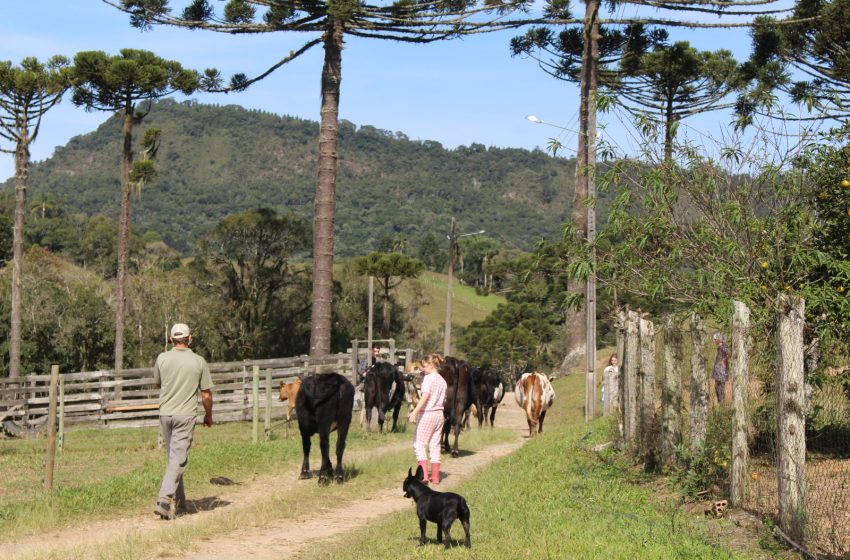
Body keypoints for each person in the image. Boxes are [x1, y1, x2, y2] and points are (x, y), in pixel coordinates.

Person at [153, 323, 214, 520]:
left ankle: (180, 503)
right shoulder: (199, 361)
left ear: (171, 339)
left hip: (165, 414)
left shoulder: (162, 358)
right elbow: (206, 395)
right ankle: (164, 500)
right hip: (185, 414)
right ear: (190, 339)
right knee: (178, 459)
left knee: (173, 459)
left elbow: (159, 382)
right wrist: (208, 414)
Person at [407, 353, 447, 485]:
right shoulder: (442, 380)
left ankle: (423, 475)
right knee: (435, 445)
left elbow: (425, 396)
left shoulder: (428, 379)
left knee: (419, 443)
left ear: (431, 365)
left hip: (428, 414)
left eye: (424, 366)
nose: (423, 369)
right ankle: (435, 476)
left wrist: (414, 412)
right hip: (439, 415)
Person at [711, 332, 730, 405]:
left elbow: (729, 353)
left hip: (722, 372)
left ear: (719, 339)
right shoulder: (720, 347)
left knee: (720, 388)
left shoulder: (723, 347)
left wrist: (724, 360)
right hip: (718, 371)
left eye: (715, 339)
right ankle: (720, 403)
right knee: (717, 387)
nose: (714, 340)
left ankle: (722, 404)